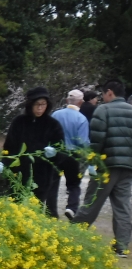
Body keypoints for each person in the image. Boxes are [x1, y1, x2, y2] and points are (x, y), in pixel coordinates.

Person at [71, 80, 132, 257]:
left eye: (103, 94)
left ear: (110, 93)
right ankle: (122, 246)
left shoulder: (103, 110)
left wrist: (93, 159)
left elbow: (97, 139)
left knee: (92, 202)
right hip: (127, 167)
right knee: (122, 206)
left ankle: (74, 235)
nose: (102, 98)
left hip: (106, 165)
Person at [0, 86, 64, 210]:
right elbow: (9, 147)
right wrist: (3, 162)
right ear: (30, 104)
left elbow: (61, 150)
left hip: (42, 176)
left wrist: (55, 153)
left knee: (34, 210)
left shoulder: (53, 125)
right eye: (37, 104)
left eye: (43, 104)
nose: (40, 108)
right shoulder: (19, 122)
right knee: (15, 208)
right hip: (18, 174)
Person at [47, 90, 89, 219]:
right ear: (81, 102)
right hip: (73, 156)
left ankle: (51, 212)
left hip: (55, 153)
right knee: (73, 184)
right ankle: (71, 207)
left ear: (66, 101)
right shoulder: (81, 119)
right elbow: (83, 142)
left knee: (53, 183)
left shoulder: (55, 114)